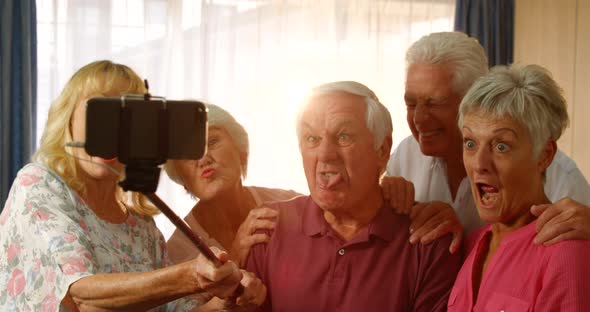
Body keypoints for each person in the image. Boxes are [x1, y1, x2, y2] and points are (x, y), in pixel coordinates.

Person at [0, 60, 265, 311]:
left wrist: (230, 301)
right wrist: (190, 275)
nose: (113, 130)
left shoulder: (142, 228)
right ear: (69, 122)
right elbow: (81, 297)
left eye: (126, 117)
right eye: (101, 112)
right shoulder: (40, 185)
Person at [246, 81, 461, 311]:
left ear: (382, 149)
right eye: (312, 139)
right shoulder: (266, 227)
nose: (325, 155)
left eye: (344, 136)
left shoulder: (429, 241)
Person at [384, 32, 590, 252]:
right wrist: (383, 197)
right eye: (411, 104)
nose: (418, 119)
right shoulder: (405, 156)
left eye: (435, 103)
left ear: (474, 99)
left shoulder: (560, 176)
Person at [448, 64, 590, 310]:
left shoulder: (566, 253)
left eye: (501, 146)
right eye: (470, 143)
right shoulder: (470, 245)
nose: (480, 164)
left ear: (544, 155)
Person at [165, 104, 299, 267]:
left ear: (240, 151)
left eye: (212, 142)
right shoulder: (176, 252)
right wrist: (234, 259)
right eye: (188, 154)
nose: (203, 160)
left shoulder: (292, 203)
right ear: (181, 178)